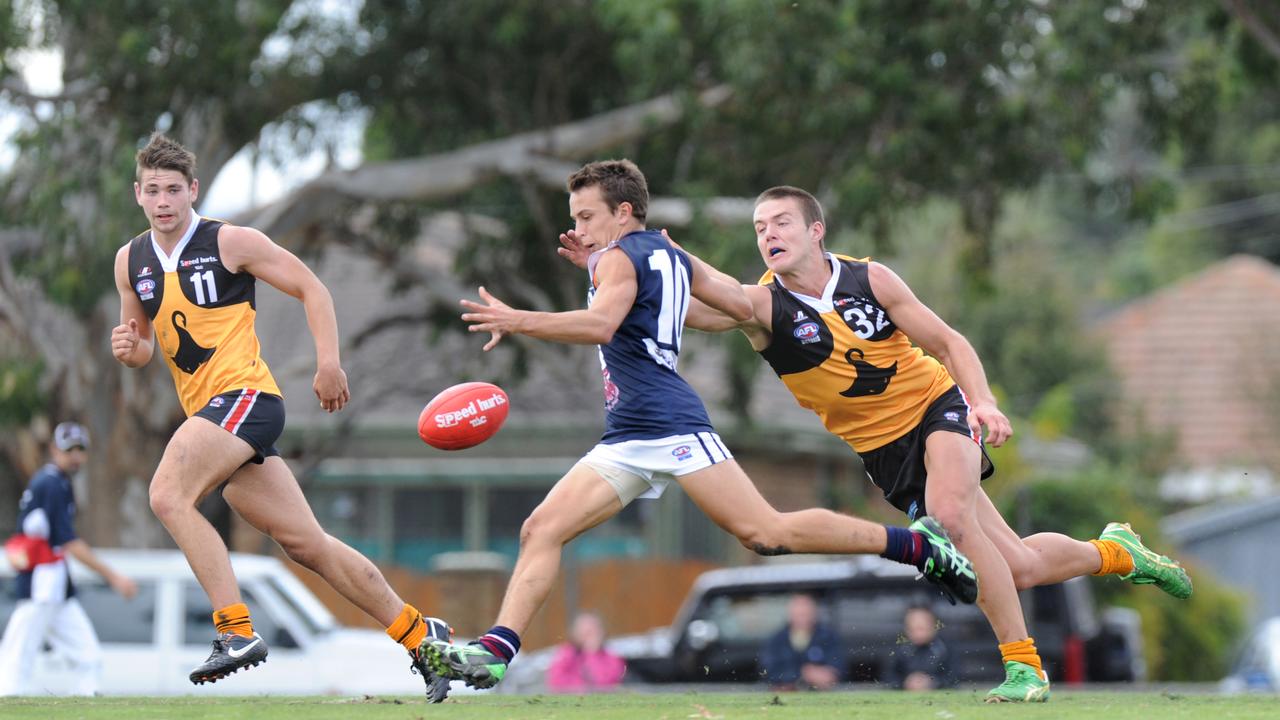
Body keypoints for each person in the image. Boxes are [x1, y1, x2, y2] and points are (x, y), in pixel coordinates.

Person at [420, 159, 977, 692]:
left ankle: (915, 546)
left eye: (587, 217)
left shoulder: (620, 258)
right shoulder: (660, 254)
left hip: (668, 422)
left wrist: (520, 319)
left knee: (766, 533)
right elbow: (716, 305)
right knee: (541, 529)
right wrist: (592, 264)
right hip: (629, 431)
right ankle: (495, 652)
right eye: (574, 219)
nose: (578, 228)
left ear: (623, 213)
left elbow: (602, 322)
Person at [675, 185, 1194, 702]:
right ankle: (1116, 552)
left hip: (938, 407)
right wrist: (643, 269)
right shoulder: (764, 305)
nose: (769, 234)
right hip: (886, 454)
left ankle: (1024, 668)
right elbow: (699, 304)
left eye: (781, 222)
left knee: (949, 519)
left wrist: (983, 401)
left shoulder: (869, 278)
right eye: (760, 227)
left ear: (816, 230)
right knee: (1019, 567)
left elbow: (950, 342)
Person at [110, 133, 452, 702]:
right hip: (215, 415)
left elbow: (311, 288)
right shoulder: (130, 260)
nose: (164, 200)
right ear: (138, 195)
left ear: (193, 190)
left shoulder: (230, 240)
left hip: (245, 398)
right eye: (153, 190)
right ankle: (422, 636)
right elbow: (143, 343)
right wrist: (130, 348)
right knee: (307, 544)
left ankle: (235, 631)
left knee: (168, 495)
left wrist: (328, 364)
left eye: (174, 189)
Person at [0, 422, 138, 696]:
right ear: (54, 449)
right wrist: (114, 576)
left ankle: (88, 699)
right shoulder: (50, 483)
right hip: (41, 579)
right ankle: (7, 698)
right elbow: (68, 542)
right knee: (19, 650)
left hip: (56, 581)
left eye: (80, 449)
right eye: (69, 449)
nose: (75, 455)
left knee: (88, 654)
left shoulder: (59, 482)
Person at [759, 594, 842, 691]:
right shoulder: (776, 640)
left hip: (822, 694)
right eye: (799, 614)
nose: (803, 618)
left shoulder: (828, 637)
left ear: (814, 614)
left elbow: (839, 667)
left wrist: (828, 675)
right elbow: (768, 671)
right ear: (790, 615)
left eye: (806, 614)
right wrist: (802, 674)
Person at [545, 611, 626, 693]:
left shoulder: (611, 657)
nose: (588, 636)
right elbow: (556, 681)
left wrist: (592, 654)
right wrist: (582, 687)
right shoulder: (566, 654)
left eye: (592, 631)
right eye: (584, 631)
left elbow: (607, 683)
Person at [885, 605, 956, 691]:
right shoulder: (899, 649)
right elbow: (888, 677)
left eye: (921, 628)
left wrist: (933, 682)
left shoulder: (945, 648)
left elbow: (954, 678)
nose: (918, 633)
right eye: (912, 629)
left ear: (933, 627)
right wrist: (905, 683)